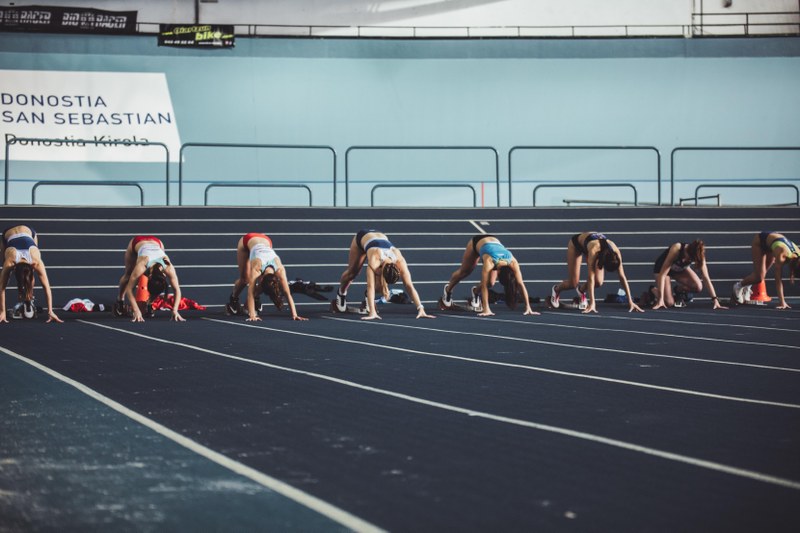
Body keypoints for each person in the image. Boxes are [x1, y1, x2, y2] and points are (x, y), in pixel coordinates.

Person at [334, 229, 433, 320]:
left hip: (380, 236)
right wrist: (372, 313)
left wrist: (420, 308)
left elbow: (409, 285)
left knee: (381, 287)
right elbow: (370, 286)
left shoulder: (399, 259)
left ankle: (369, 301)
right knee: (352, 273)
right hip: (363, 237)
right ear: (380, 270)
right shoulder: (374, 261)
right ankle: (341, 293)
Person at [441, 234, 538, 317]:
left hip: (494, 242)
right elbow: (483, 285)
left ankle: (475, 292)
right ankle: (448, 290)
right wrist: (486, 309)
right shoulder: (489, 262)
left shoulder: (513, 262)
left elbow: (521, 284)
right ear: (498, 272)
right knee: (465, 272)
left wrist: (528, 307)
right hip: (477, 242)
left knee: (491, 283)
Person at [550, 232, 643, 314]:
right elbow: (590, 277)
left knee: (598, 282)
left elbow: (622, 277)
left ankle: (581, 290)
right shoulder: (594, 251)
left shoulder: (616, 253)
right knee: (573, 283)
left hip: (595, 247)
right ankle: (557, 289)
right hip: (576, 244)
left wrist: (630, 301)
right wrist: (592, 303)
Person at [226, 233, 308, 322]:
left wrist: (295, 315)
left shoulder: (280, 270)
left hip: (266, 241)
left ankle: (254, 301)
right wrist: (252, 315)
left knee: (263, 287)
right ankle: (233, 300)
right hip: (248, 240)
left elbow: (287, 293)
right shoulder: (257, 269)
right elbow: (250, 294)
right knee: (245, 280)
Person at [0, 224, 63, 323]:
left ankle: (29, 295)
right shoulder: (9, 261)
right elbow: (1, 287)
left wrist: (50, 311)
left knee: (26, 278)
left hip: (30, 233)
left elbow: (46, 286)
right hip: (8, 234)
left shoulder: (36, 261)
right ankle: (24, 292)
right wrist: (2, 312)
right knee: (3, 263)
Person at [116, 236, 185, 322]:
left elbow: (177, 289)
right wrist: (136, 311)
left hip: (157, 243)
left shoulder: (168, 266)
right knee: (128, 276)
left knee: (156, 286)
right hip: (138, 242)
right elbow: (129, 289)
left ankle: (149, 303)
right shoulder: (142, 265)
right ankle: (120, 300)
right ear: (149, 277)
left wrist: (175, 310)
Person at [732, 231, 800, 310]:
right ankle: (738, 286)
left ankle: (748, 285)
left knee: (761, 273)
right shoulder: (782, 255)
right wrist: (782, 302)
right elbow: (778, 280)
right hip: (760, 241)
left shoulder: (798, 256)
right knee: (759, 277)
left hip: (773, 242)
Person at [652, 240, 726, 310]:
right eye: (687, 258)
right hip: (662, 269)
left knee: (698, 287)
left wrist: (715, 300)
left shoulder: (700, 256)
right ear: (687, 250)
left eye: (690, 260)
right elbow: (663, 275)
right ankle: (653, 290)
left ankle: (678, 291)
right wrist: (660, 299)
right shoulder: (676, 248)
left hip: (678, 269)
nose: (686, 260)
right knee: (669, 303)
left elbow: (706, 277)